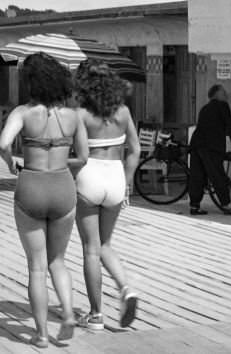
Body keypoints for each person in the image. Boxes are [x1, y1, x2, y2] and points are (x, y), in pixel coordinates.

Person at [0, 53, 88, 348]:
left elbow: (2, 144)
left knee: (36, 266)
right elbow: (84, 157)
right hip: (63, 186)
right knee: (58, 261)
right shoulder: (74, 116)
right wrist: (62, 163)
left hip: (32, 185)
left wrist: (11, 163)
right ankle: (69, 313)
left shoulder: (22, 113)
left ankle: (42, 335)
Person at [73, 61, 140, 331]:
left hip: (89, 175)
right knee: (106, 245)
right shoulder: (123, 112)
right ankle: (125, 288)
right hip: (115, 177)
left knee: (91, 248)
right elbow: (134, 149)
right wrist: (128, 182)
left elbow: (79, 155)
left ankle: (96, 315)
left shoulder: (80, 114)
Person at [188, 84, 231, 216]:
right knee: (217, 175)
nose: (226, 94)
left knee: (197, 176)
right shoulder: (222, 106)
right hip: (211, 147)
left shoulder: (205, 108)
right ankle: (227, 205)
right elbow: (230, 126)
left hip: (196, 144)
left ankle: (194, 206)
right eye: (223, 92)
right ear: (217, 95)